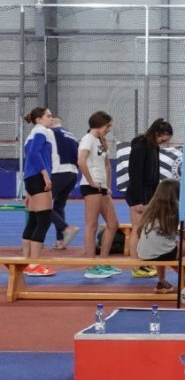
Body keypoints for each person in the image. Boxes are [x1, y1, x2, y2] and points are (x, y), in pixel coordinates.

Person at [126, 118, 174, 279]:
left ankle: (144, 262)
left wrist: (155, 196)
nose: (163, 142)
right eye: (163, 139)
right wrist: (137, 199)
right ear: (157, 133)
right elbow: (135, 173)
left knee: (146, 229)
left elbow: (155, 172)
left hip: (150, 193)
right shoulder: (140, 145)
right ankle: (136, 266)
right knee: (137, 229)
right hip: (138, 194)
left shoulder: (154, 146)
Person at [136, 179, 185, 294]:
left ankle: (162, 282)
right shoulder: (177, 209)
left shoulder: (150, 208)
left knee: (163, 246)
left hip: (143, 252)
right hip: (163, 252)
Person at [78, 111, 121, 279]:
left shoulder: (100, 141)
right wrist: (91, 181)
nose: (109, 129)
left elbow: (107, 165)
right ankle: (91, 266)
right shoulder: (87, 139)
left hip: (101, 187)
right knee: (92, 225)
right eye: (107, 126)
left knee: (113, 223)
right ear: (99, 124)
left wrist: (108, 186)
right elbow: (81, 161)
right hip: (91, 187)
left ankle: (103, 262)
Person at [20, 107, 57, 277]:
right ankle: (34, 265)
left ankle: (26, 262)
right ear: (38, 119)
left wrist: (29, 190)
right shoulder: (41, 130)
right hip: (38, 177)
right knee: (44, 220)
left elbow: (30, 156)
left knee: (34, 220)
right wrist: (45, 175)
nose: (51, 118)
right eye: (48, 116)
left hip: (31, 178)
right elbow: (34, 153)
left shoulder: (32, 133)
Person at [48, 117, 80, 250]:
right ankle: (60, 240)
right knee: (59, 206)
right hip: (73, 173)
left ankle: (66, 228)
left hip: (58, 172)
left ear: (52, 123)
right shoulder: (72, 136)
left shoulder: (51, 133)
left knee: (42, 206)